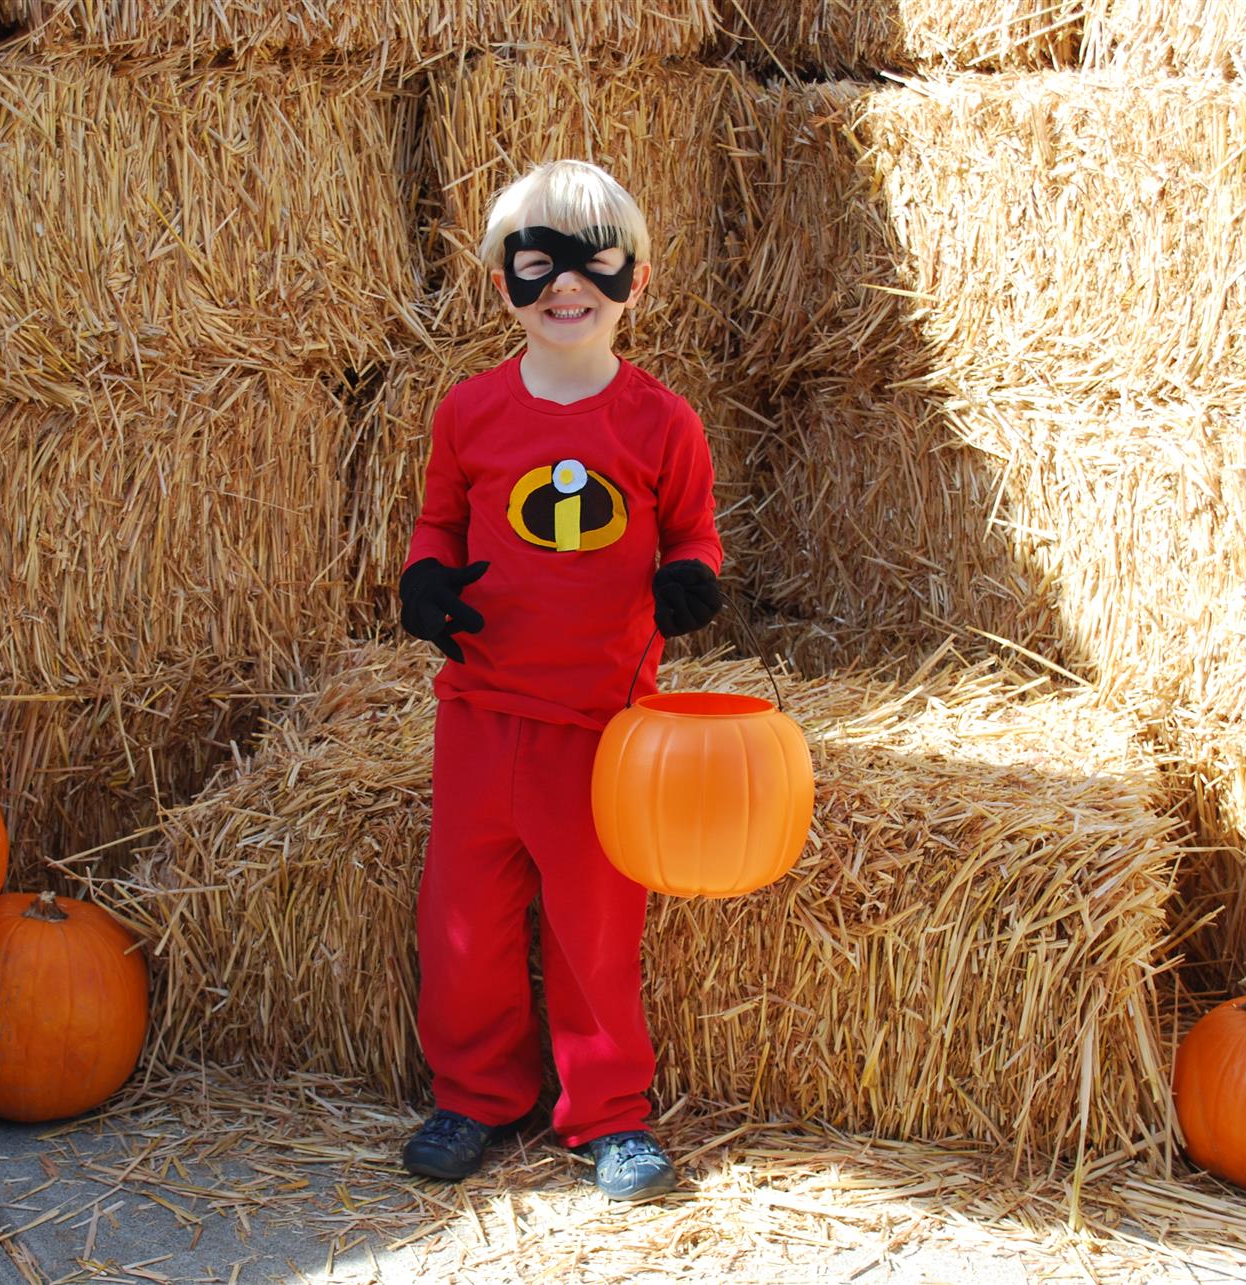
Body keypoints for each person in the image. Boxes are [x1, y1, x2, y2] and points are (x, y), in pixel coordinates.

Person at [396, 159, 725, 1201]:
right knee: (466, 920)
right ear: (504, 282)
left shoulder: (660, 422)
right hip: (483, 715)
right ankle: (474, 1094)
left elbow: (696, 532)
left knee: (593, 928)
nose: (564, 288)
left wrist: (690, 579)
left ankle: (607, 1115)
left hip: (600, 727)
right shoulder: (473, 413)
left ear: (633, 279)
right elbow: (439, 518)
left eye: (593, 264)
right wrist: (423, 580)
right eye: (536, 265)